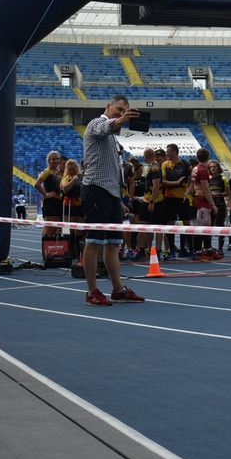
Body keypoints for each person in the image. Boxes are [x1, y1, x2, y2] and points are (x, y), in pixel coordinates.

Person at [80, 95, 144, 306]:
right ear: (108, 106)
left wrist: (118, 199)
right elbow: (106, 127)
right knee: (93, 241)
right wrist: (121, 119)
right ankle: (92, 291)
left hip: (112, 194)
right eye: (119, 109)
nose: (122, 113)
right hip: (96, 189)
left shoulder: (115, 137)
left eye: (124, 111)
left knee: (114, 243)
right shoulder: (96, 123)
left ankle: (118, 289)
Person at [188, 148, 219, 259]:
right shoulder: (203, 170)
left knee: (206, 226)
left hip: (197, 198)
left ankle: (208, 249)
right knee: (201, 228)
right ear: (208, 157)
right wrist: (213, 204)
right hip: (202, 201)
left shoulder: (195, 168)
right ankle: (198, 252)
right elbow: (206, 189)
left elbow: (192, 185)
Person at [160, 143, 190, 257]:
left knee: (186, 223)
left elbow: (191, 181)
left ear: (174, 151)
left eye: (168, 151)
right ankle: (171, 250)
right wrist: (176, 183)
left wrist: (188, 192)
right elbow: (163, 182)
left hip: (183, 198)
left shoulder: (185, 164)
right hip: (169, 198)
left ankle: (186, 249)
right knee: (170, 224)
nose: (167, 153)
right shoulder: (165, 164)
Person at [34, 150, 63, 240]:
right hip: (51, 203)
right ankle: (45, 245)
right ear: (49, 160)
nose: (56, 161)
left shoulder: (58, 172)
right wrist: (46, 194)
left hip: (58, 202)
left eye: (57, 159)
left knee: (55, 227)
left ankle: (50, 245)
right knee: (49, 227)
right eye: (53, 159)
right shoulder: (47, 171)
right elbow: (37, 184)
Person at [59, 158, 85, 259]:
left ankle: (78, 251)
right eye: (69, 169)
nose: (72, 171)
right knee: (68, 229)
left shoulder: (81, 177)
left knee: (79, 229)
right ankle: (70, 250)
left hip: (80, 204)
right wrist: (73, 180)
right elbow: (65, 188)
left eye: (73, 169)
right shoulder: (66, 178)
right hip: (69, 204)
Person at [207, 160, 231, 253]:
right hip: (210, 206)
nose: (213, 168)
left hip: (220, 205)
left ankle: (220, 248)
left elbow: (228, 193)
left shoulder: (223, 179)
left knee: (220, 226)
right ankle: (208, 247)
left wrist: (217, 194)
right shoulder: (208, 179)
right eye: (211, 167)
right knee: (209, 226)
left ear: (218, 168)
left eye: (214, 167)